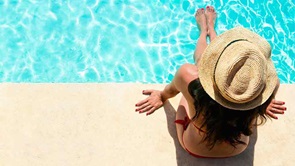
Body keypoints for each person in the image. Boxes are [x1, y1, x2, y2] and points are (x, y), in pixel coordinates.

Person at [135, 6, 286, 158]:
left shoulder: (186, 75)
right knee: (206, 71)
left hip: (195, 148)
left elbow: (169, 92)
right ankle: (211, 31)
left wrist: (161, 96)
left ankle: (204, 32)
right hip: (238, 147)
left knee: (200, 65)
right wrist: (260, 103)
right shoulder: (270, 85)